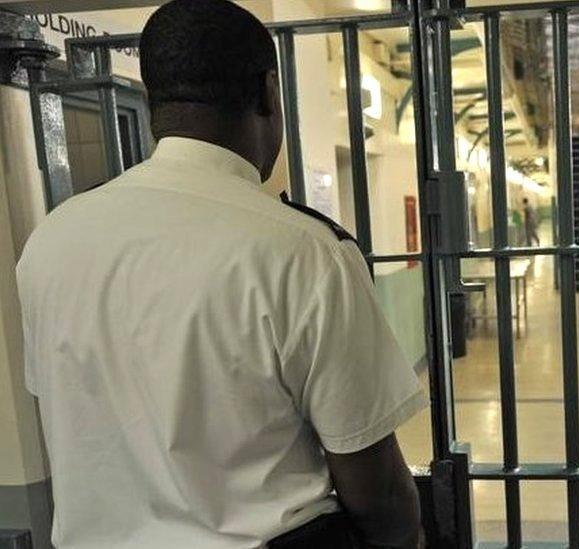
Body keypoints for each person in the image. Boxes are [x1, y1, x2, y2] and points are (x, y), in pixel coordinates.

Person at [15, 1, 426, 547]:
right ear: (268, 93)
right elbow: (377, 490)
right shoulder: (302, 250)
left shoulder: (51, 240)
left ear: (155, 98)